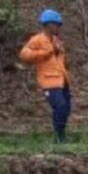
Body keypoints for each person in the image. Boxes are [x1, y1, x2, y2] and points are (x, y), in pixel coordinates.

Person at [19, 9, 72, 142]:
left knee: (66, 108)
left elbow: (61, 60)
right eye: (57, 24)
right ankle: (59, 137)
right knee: (59, 106)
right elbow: (24, 54)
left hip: (62, 80)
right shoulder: (37, 39)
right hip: (49, 81)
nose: (59, 27)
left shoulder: (56, 40)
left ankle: (61, 134)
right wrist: (45, 53)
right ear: (49, 25)